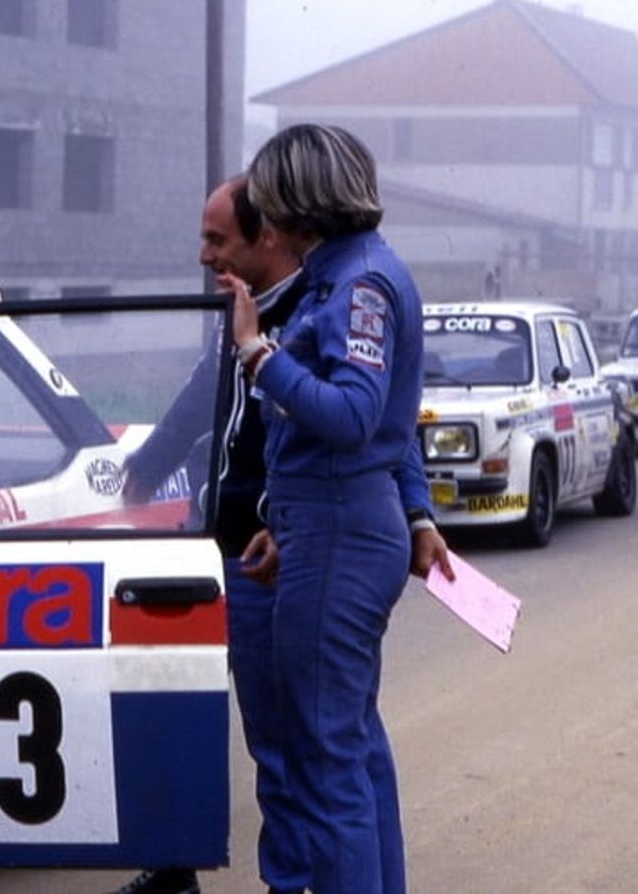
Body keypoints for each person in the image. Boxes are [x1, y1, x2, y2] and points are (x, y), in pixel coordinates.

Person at [113, 174, 449, 894]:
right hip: (241, 544)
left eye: (216, 239)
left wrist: (416, 510)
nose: (203, 255)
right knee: (306, 742)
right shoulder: (242, 312)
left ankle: (295, 882)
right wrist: (143, 471)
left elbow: (383, 422)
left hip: (287, 548)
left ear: (266, 236)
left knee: (311, 747)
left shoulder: (322, 306)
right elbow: (202, 395)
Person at [214, 123, 429, 894]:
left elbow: (352, 416)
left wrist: (257, 354)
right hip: (323, 524)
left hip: (339, 529)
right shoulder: (345, 274)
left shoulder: (355, 285)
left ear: (297, 200)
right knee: (346, 744)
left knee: (325, 755)